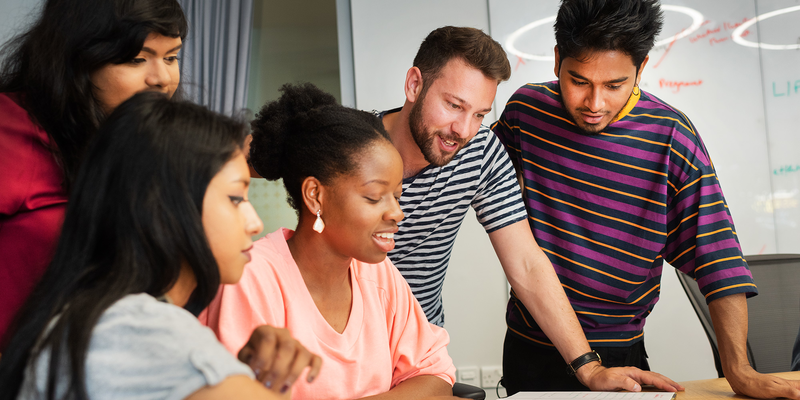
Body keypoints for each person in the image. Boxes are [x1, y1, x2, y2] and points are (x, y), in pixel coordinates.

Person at [492, 0, 800, 398]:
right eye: (579, 81)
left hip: (621, 351)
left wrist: (738, 370)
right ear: (556, 61)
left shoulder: (672, 137)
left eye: (614, 85)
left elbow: (717, 258)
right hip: (530, 347)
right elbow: (470, 174)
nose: (594, 103)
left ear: (640, 69)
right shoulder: (526, 113)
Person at [377, 25, 681, 392]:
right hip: (345, 348)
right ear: (414, 85)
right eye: (453, 105)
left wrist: (589, 367)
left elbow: (526, 261)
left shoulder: (479, 152)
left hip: (418, 356)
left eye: (479, 114)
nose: (462, 130)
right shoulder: (347, 148)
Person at [0, 92, 323, 400]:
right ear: (162, 206)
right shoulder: (136, 329)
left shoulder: (109, 320)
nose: (254, 224)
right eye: (235, 198)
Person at [202, 83, 459, 400]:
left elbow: (434, 374)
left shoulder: (378, 275)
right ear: (315, 196)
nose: (397, 214)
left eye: (396, 197)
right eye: (375, 197)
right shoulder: (250, 278)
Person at [0, 0, 186, 348]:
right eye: (136, 59)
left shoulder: (148, 149)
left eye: (172, 57)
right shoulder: (10, 130)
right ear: (78, 61)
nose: (161, 79)